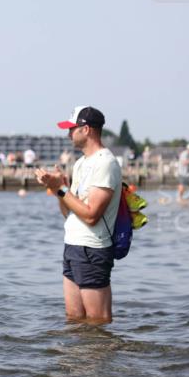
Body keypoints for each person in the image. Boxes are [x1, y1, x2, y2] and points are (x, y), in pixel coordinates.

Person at [35, 106, 122, 323]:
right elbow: (68, 213)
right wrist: (57, 189)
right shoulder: (81, 163)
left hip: (92, 248)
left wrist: (62, 190)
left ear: (86, 129)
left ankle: (103, 358)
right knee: (74, 320)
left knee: (98, 322)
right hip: (72, 245)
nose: (68, 134)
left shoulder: (105, 163)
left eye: (72, 128)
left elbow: (91, 215)